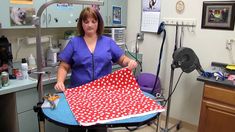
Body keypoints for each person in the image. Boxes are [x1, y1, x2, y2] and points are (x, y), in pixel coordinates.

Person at [54, 7, 137, 132]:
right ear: (81, 24)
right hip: (78, 96)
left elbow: (121, 59)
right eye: (86, 21)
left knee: (99, 129)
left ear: (99, 23)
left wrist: (129, 62)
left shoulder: (108, 42)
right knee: (77, 128)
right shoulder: (74, 43)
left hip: (101, 97)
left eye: (93, 21)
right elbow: (64, 66)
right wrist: (60, 81)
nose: (90, 25)